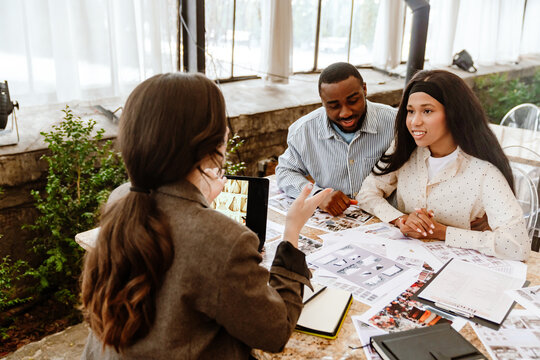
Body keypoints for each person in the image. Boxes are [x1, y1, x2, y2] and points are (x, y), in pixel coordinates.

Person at [80, 73, 332, 359]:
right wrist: (291, 232)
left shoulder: (122, 197)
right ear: (210, 141)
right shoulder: (224, 239)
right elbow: (275, 332)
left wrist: (197, 198)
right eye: (222, 122)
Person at [357, 69, 530, 261]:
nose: (415, 121)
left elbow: (517, 246)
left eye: (427, 111)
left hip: (459, 271)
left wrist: (442, 232)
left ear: (453, 113)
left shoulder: (484, 172)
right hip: (404, 260)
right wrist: (400, 219)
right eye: (410, 111)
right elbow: (366, 193)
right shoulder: (404, 148)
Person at [276, 62, 397, 216]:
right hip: (333, 222)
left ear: (365, 89)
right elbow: (285, 171)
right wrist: (318, 196)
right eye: (333, 106)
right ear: (322, 101)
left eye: (353, 101)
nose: (345, 113)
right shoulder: (304, 131)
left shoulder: (395, 123)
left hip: (385, 218)